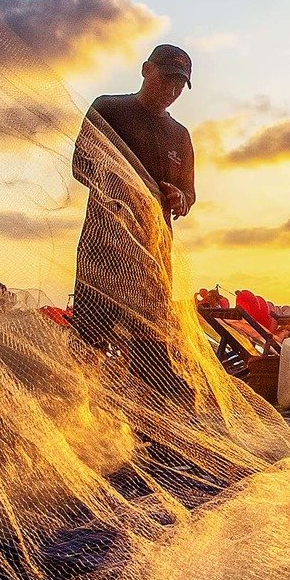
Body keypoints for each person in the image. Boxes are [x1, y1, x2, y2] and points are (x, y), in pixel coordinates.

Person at [71, 42, 198, 408]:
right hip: (103, 250)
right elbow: (81, 167)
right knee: (89, 343)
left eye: (179, 86)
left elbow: (190, 193)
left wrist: (180, 199)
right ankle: (79, 420)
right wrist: (122, 188)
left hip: (152, 258)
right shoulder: (110, 109)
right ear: (147, 70)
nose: (171, 92)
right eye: (166, 80)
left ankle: (152, 429)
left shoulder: (180, 135)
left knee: (151, 347)